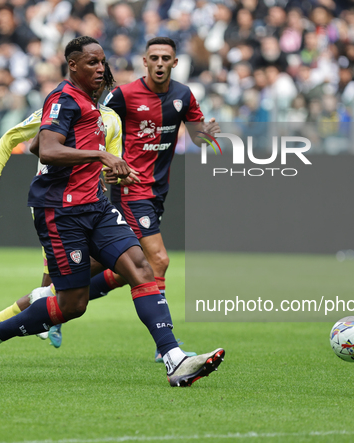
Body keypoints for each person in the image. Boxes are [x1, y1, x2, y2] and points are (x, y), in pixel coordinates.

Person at [0, 36, 225, 387]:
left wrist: (115, 168)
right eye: (91, 62)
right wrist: (102, 156)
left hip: (97, 207)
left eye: (102, 61)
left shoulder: (100, 111)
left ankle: (173, 359)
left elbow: (104, 158)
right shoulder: (62, 99)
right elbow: (45, 149)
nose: (101, 68)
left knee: (142, 267)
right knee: (73, 303)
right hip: (60, 211)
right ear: (73, 65)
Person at [0, 62, 124, 350]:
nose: (98, 80)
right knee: (56, 288)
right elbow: (11, 138)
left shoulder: (111, 121)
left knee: (79, 280)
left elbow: (112, 166)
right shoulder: (60, 107)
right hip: (56, 205)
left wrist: (117, 175)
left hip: (91, 207)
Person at [88, 37, 219, 362]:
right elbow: (96, 132)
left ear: (175, 63)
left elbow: (198, 139)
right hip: (130, 187)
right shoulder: (124, 95)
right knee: (158, 259)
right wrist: (105, 164)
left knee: (121, 270)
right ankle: (167, 347)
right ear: (144, 61)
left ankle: (57, 298)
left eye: (166, 58)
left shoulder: (183, 96)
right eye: (154, 58)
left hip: (157, 190)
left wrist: (207, 135)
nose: (160, 63)